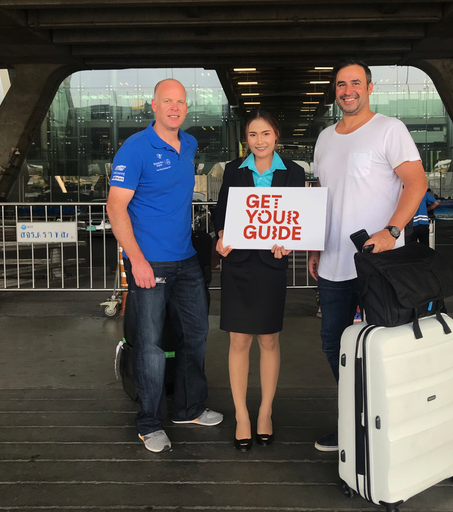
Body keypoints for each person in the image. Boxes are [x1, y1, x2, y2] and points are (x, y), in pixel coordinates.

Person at [307, 58, 428, 452]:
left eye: (355, 83)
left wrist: (393, 231)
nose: (347, 90)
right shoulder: (325, 138)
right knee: (334, 346)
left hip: (379, 263)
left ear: (370, 88)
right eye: (341, 84)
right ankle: (356, 420)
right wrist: (314, 244)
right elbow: (325, 197)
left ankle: (389, 425)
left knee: (386, 345)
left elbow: (417, 182)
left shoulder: (389, 130)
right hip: (333, 262)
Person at [106, 79, 223, 453]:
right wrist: (135, 261)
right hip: (149, 261)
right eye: (167, 101)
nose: (175, 108)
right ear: (153, 105)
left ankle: (187, 408)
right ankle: (149, 423)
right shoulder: (135, 149)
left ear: (186, 108)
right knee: (151, 346)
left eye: (181, 102)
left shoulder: (189, 144)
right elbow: (115, 208)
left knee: (196, 334)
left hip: (186, 258)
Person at [213, 110, 306, 452]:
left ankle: (265, 411)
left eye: (265, 133)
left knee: (268, 340)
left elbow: (297, 218)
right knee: (239, 341)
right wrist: (221, 235)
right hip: (238, 264)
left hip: (271, 265)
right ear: (246, 139)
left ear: (276, 135)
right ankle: (242, 415)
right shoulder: (234, 171)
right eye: (253, 135)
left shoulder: (293, 172)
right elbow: (222, 213)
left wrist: (290, 241)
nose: (260, 141)